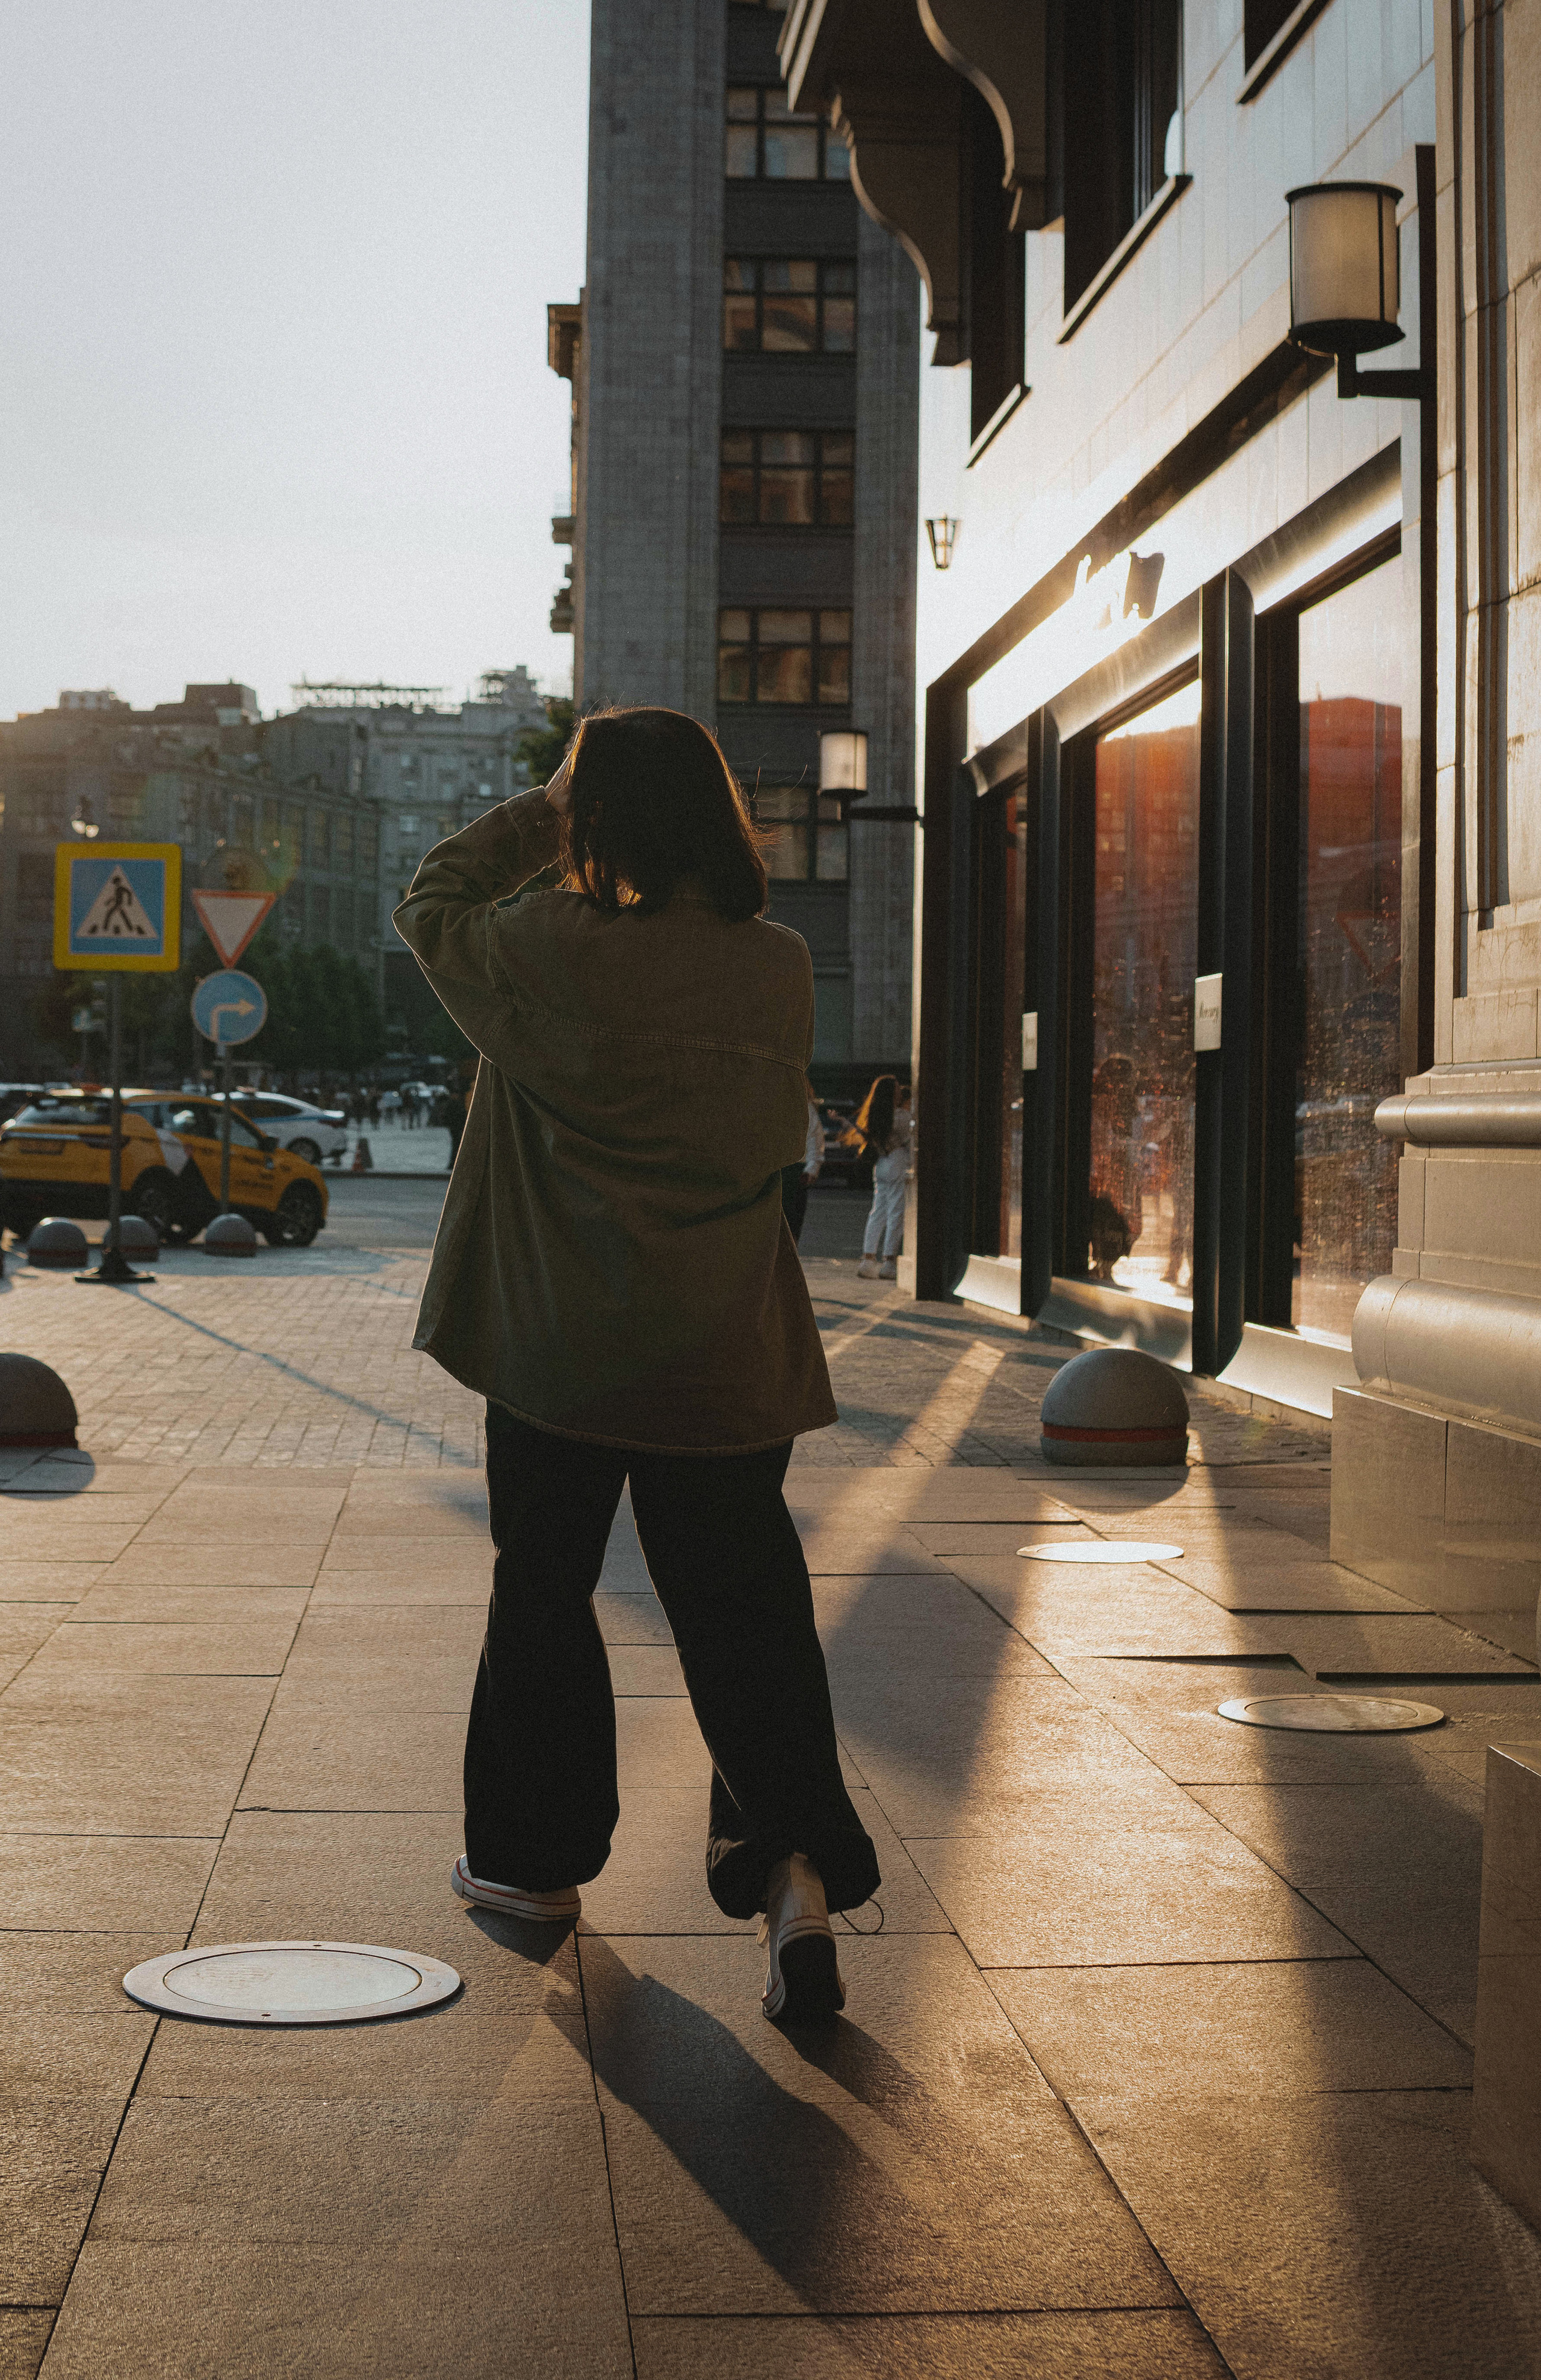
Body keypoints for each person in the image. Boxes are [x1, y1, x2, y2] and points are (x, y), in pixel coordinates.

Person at [394, 705, 878, 2022]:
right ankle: (792, 1877)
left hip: (559, 1351)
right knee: (745, 1618)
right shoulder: (774, 967)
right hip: (722, 1357)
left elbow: (431, 896)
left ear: (588, 817)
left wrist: (549, 809)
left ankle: (532, 1868)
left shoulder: (538, 948)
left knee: (545, 1592)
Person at [855, 1075, 911, 1280]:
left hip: (880, 1165)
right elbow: (910, 1139)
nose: (900, 1091)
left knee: (877, 1211)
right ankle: (889, 1261)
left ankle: (868, 1259)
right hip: (898, 1163)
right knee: (896, 1213)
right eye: (897, 1089)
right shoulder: (902, 1116)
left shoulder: (874, 1115)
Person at [780, 1074, 823, 1245]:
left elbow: (814, 1140)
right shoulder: (807, 1109)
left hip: (791, 1169)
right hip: (794, 1168)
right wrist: (812, 1168)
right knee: (792, 1220)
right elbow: (816, 1140)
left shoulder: (806, 1109)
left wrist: (812, 1168)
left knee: (789, 1219)